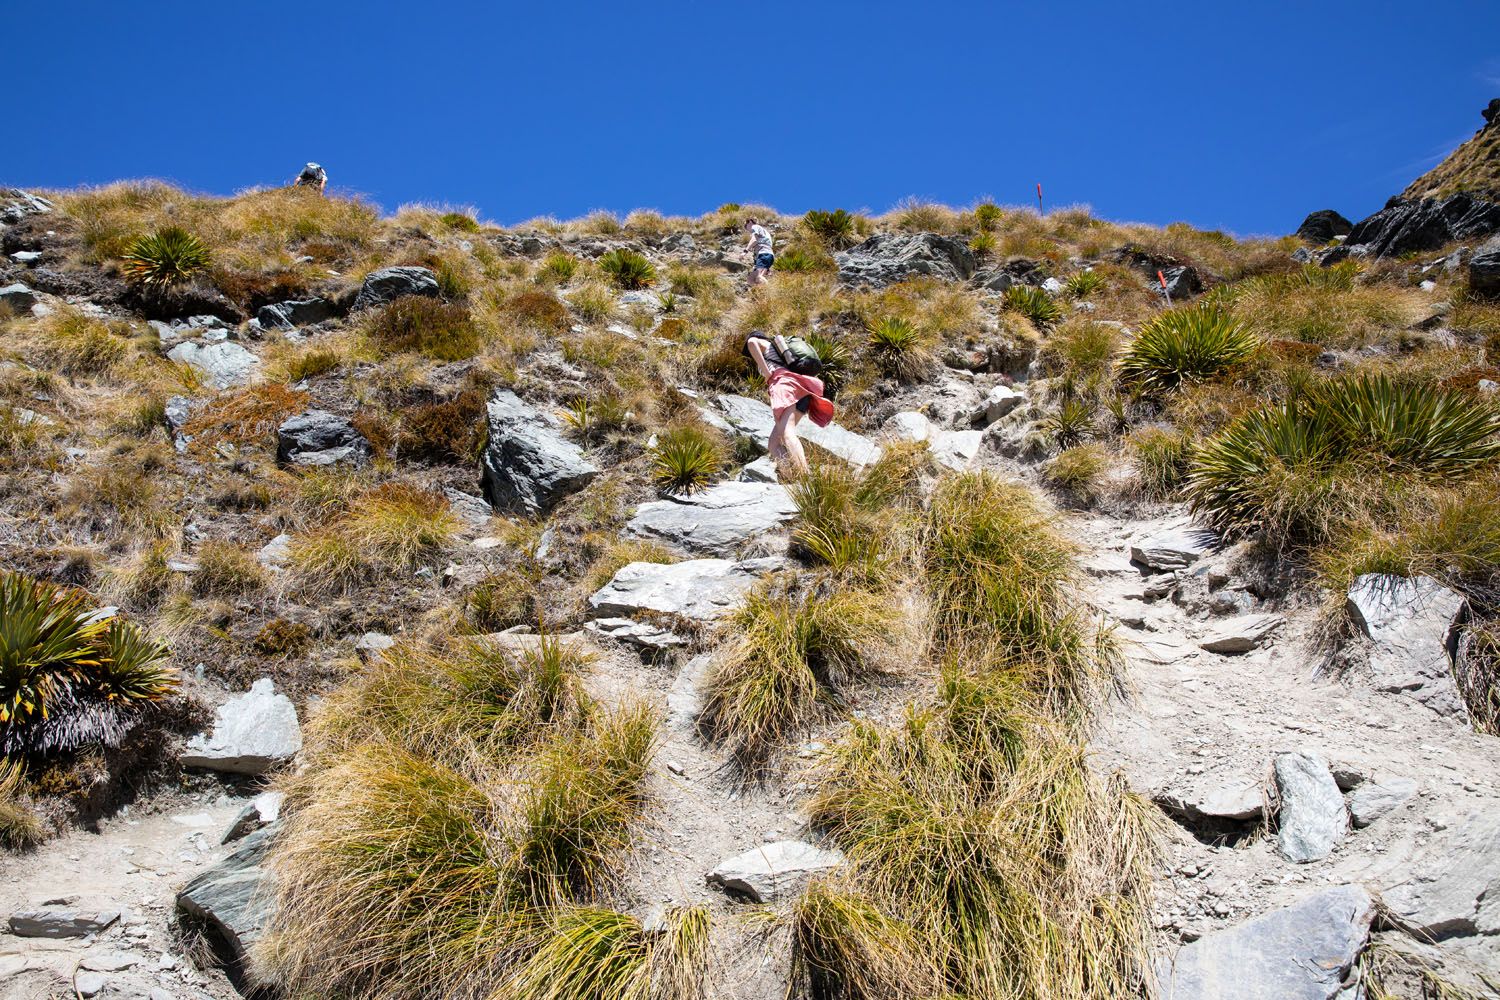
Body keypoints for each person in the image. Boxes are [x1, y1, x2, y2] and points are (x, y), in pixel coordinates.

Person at [745, 331, 834, 477]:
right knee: (773, 443)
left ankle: (805, 477)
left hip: (785, 386)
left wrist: (767, 374)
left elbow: (751, 343)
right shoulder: (776, 350)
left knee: (788, 434)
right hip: (800, 390)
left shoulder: (756, 341)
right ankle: (790, 477)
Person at [744, 217, 774, 286]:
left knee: (754, 278)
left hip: (763, 254)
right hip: (768, 255)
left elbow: (754, 239)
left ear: (750, 222)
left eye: (746, 226)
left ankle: (770, 290)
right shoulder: (765, 232)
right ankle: (763, 293)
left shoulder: (755, 226)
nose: (747, 229)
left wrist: (745, 251)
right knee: (757, 279)